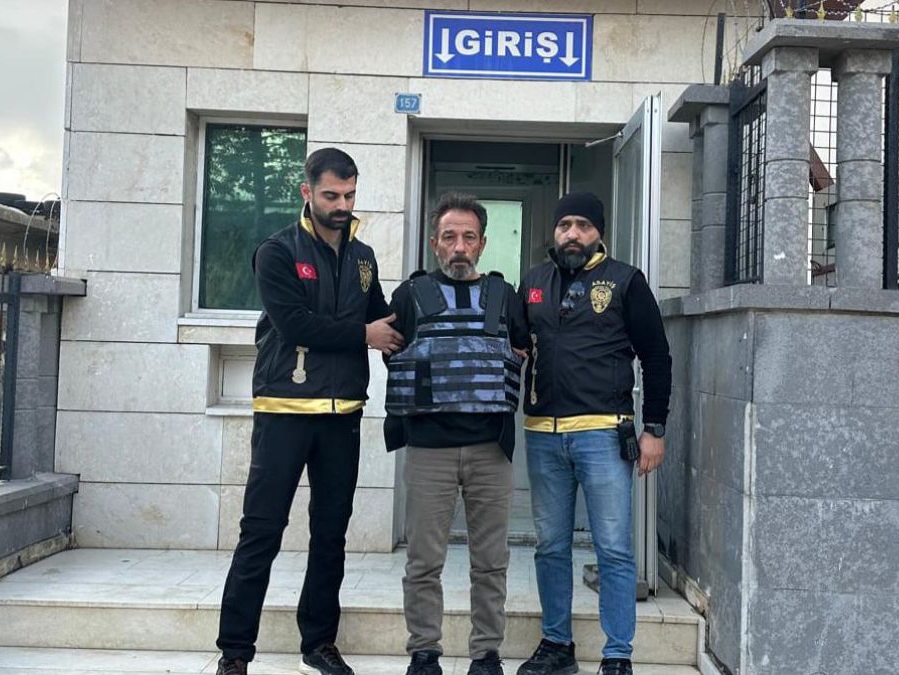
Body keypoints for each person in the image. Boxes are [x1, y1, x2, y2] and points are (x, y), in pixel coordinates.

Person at [215, 147, 403, 675]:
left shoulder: (363, 257)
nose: (342, 205)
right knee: (261, 531)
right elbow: (295, 323)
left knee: (331, 534)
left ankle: (318, 645)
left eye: (349, 195)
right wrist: (364, 335)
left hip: (343, 415)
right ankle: (234, 653)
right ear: (307, 192)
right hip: (284, 409)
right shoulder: (276, 251)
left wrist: (427, 318)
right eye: (331, 195)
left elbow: (383, 323)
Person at [516, 192, 672, 675]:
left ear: (598, 232)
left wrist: (654, 428)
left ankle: (617, 654)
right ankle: (556, 644)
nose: (573, 234)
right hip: (542, 435)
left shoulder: (625, 280)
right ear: (555, 231)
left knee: (614, 549)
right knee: (550, 546)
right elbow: (516, 347)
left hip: (603, 434)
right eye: (565, 224)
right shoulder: (533, 283)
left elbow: (657, 357)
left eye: (583, 225)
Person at [383, 192, 529, 675]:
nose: (459, 246)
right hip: (429, 450)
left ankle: (486, 654)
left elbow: (524, 351)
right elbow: (392, 354)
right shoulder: (409, 295)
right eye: (449, 237)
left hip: (491, 450)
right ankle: (424, 653)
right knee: (423, 561)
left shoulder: (505, 297)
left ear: (483, 243)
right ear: (434, 243)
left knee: (491, 562)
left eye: (469, 237)